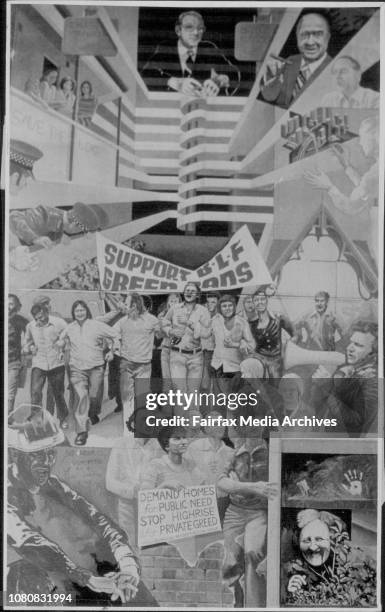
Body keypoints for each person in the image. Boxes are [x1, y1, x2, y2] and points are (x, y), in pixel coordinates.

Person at [7, 410, 157, 605]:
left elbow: (101, 522)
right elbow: (30, 542)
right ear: (14, 454)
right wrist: (85, 578)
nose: (46, 463)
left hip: (90, 580)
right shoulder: (8, 492)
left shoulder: (55, 486)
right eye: (37, 455)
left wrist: (128, 566)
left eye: (50, 453)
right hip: (49, 587)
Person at [304, 115, 379, 263]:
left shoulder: (376, 172)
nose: (360, 142)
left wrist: (329, 187)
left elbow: (352, 205)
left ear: (374, 138)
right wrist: (346, 166)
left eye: (362, 137)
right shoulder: (377, 170)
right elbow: (367, 189)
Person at [218, 433, 277, 607]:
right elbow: (221, 483)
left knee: (253, 554)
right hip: (235, 512)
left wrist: (237, 485)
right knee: (231, 561)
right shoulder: (232, 453)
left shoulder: (271, 451)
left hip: (260, 512)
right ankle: (236, 603)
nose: (252, 427)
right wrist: (252, 487)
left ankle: (254, 607)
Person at [58, 300, 118, 446]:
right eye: (77, 311)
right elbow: (61, 340)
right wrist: (60, 349)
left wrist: (112, 351)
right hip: (77, 369)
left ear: (87, 311)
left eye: (82, 310)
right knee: (82, 397)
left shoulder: (96, 325)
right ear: (73, 313)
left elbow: (115, 335)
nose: (80, 313)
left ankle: (93, 413)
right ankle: (82, 432)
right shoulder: (70, 328)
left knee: (94, 395)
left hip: (96, 367)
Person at [141, 10, 240, 96]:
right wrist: (176, 82)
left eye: (200, 28)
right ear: (178, 30)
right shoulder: (167, 48)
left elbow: (234, 72)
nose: (196, 33)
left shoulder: (208, 48)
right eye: (189, 27)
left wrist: (219, 81)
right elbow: (145, 74)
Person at [312, 320, 378, 435]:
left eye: (358, 345)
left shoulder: (372, 381)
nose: (349, 348)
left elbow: (356, 421)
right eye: (351, 342)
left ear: (373, 353)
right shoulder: (351, 370)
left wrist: (326, 387)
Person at [260, 12, 331, 108]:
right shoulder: (291, 61)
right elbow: (269, 96)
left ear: (327, 37)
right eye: (304, 34)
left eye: (318, 34)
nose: (310, 42)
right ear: (297, 36)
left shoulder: (335, 68)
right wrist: (272, 76)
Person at [106, 431, 163, 545]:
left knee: (150, 546)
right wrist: (133, 490)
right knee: (129, 542)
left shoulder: (160, 446)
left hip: (152, 506)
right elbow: (110, 482)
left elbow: (164, 477)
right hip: (126, 504)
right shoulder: (121, 444)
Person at [114, 293, 160, 421]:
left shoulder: (151, 320)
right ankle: (128, 430)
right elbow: (113, 334)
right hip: (126, 363)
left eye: (127, 304)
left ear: (134, 305)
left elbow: (161, 334)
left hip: (144, 365)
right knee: (127, 397)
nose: (125, 306)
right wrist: (115, 344)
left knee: (142, 396)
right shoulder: (122, 321)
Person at [161, 282, 211, 402]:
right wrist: (170, 331)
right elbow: (164, 323)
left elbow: (207, 333)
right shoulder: (174, 308)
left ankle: (193, 420)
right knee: (179, 392)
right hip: (177, 355)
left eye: (192, 291)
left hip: (196, 357)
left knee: (193, 393)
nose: (189, 292)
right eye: (187, 290)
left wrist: (190, 323)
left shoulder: (203, 311)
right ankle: (180, 420)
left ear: (198, 294)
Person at [284, 509, 347, 601]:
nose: (313, 547)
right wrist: (291, 592)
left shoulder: (345, 570)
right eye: (306, 540)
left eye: (319, 539)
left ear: (333, 542)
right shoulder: (289, 571)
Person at [23, 303, 68, 426]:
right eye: (36, 318)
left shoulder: (59, 323)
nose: (39, 321)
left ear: (46, 312)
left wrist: (62, 344)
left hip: (56, 363)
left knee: (57, 392)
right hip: (39, 362)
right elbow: (26, 342)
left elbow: (68, 336)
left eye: (41, 317)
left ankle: (63, 418)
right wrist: (30, 347)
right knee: (35, 392)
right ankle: (36, 417)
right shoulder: (30, 326)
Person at [10, 201, 109, 250]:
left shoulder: (61, 226)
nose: (80, 233)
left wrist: (60, 238)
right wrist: (35, 239)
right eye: (82, 231)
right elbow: (14, 217)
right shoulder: (47, 214)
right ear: (75, 224)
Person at [211, 294, 255, 400]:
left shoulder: (242, 322)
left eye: (230, 305)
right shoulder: (215, 321)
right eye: (224, 306)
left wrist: (236, 344)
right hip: (217, 366)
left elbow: (252, 346)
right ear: (220, 308)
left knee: (234, 403)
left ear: (234, 306)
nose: (227, 309)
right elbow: (211, 341)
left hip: (235, 368)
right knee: (219, 402)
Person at [245, 286, 293, 378]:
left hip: (277, 363)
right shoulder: (250, 323)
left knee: (275, 389)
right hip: (259, 361)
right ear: (253, 303)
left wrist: (287, 350)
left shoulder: (279, 318)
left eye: (262, 299)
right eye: (256, 300)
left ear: (267, 300)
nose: (260, 302)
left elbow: (295, 335)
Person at [141, 426, 205, 490]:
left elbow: (204, 488)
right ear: (167, 445)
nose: (183, 442)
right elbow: (144, 494)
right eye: (177, 439)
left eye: (184, 438)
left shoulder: (190, 464)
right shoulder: (156, 465)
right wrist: (164, 485)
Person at [8, 294, 29, 419]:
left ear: (17, 307)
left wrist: (28, 345)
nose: (9, 307)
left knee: (10, 394)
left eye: (12, 304)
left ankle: (7, 419)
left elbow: (32, 333)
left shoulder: (20, 320)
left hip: (13, 362)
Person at [157, 293, 182, 393]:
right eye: (171, 301)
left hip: (179, 352)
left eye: (176, 301)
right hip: (166, 350)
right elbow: (158, 336)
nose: (173, 303)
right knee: (167, 381)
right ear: (168, 303)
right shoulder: (162, 316)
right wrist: (160, 324)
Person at [200, 292, 219, 397]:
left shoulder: (220, 317)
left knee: (214, 385)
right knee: (204, 385)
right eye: (208, 302)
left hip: (214, 353)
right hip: (201, 352)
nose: (210, 304)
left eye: (213, 302)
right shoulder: (200, 316)